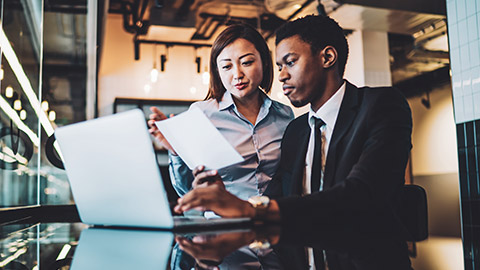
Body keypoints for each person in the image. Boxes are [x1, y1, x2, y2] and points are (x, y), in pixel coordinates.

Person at [174, 15, 413, 269]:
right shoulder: (297, 130)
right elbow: (276, 197)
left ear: (327, 58)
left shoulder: (382, 105)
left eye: (290, 62)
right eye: (279, 66)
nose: (282, 76)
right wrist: (229, 229)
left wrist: (249, 211)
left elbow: (361, 195)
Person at [148, 23, 293, 270]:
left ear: (264, 63)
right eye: (226, 66)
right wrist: (176, 151)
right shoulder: (202, 114)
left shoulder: (285, 116)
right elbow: (188, 193)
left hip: (275, 236)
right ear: (217, 71)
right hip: (222, 239)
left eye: (246, 62)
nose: (236, 74)